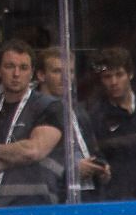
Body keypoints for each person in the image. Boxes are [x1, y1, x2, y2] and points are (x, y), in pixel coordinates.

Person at [86, 46, 136, 201]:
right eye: (107, 76)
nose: (114, 82)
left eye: (119, 74)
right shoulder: (95, 114)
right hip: (115, 200)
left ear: (130, 74)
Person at [0, 39, 63, 206]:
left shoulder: (49, 106)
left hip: (35, 208)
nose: (16, 74)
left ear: (32, 72)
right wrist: (14, 153)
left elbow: (33, 150)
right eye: (10, 66)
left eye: (23, 68)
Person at [35, 46, 107, 201]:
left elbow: (93, 150)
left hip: (89, 196)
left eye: (70, 72)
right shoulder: (34, 111)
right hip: (54, 199)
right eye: (57, 71)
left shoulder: (78, 110)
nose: (65, 77)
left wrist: (102, 167)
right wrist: (71, 171)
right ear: (41, 75)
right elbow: (34, 162)